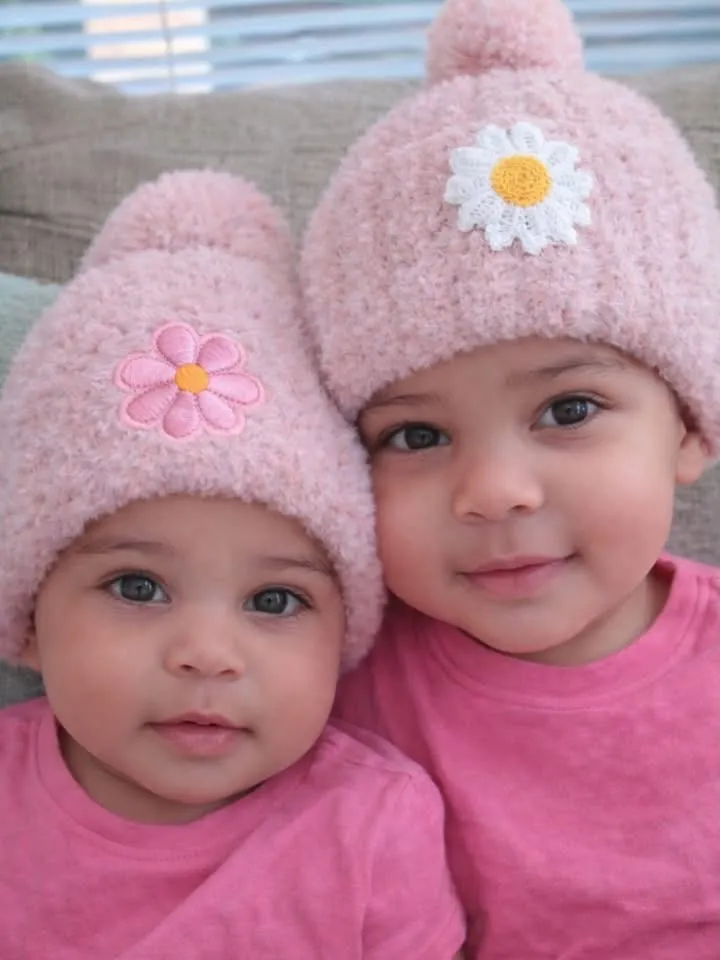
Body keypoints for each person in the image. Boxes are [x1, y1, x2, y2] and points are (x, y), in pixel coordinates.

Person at [300, 0, 720, 956]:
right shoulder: (334, 691)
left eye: (568, 411)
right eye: (414, 435)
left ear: (691, 429)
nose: (494, 491)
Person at [0, 170, 465, 959]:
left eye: (275, 600)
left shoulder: (373, 825)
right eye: (138, 587)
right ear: (30, 619)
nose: (207, 655)